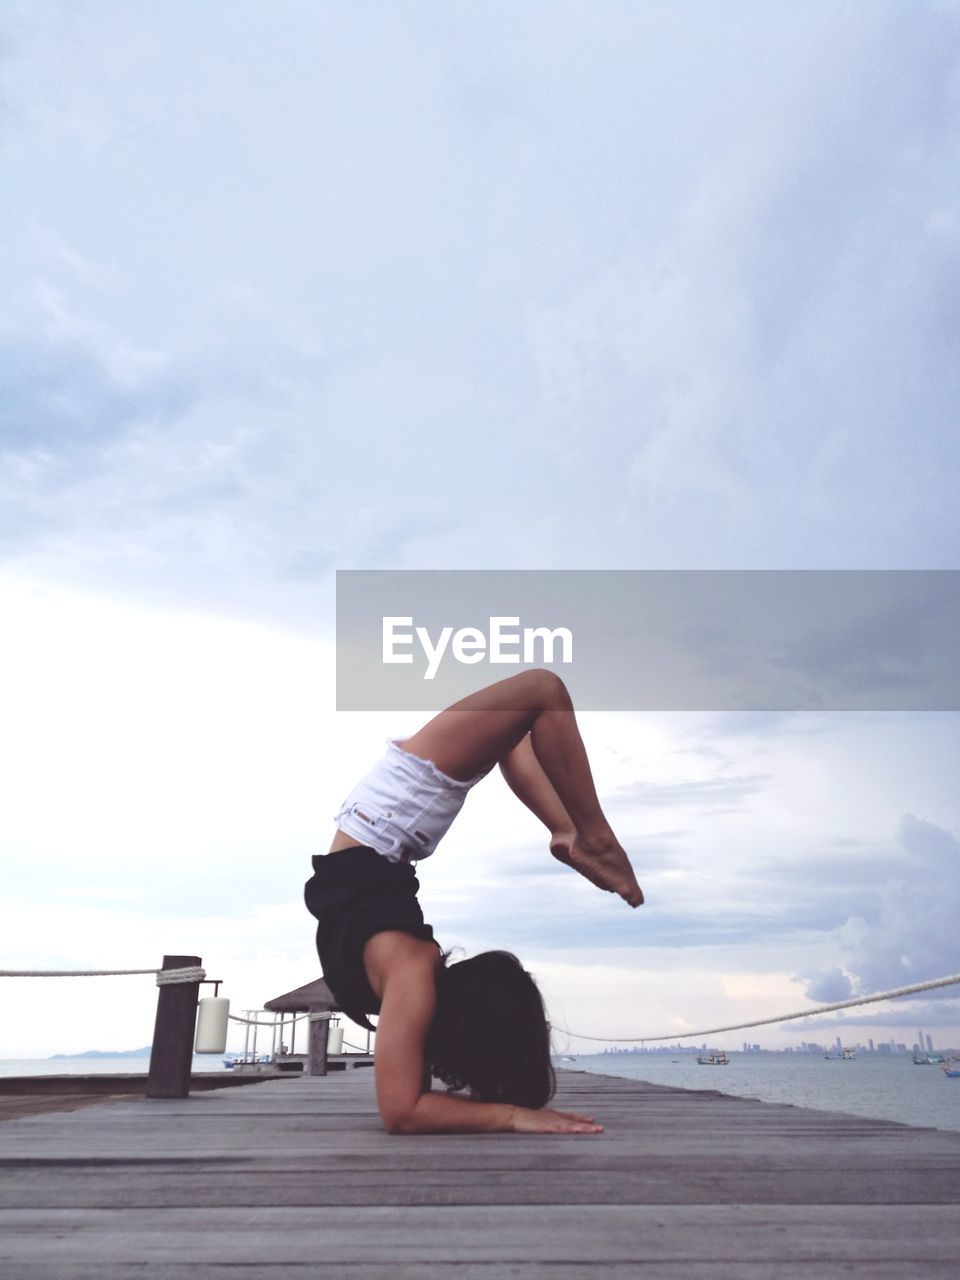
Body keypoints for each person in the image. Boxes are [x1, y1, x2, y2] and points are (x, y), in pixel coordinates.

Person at [304, 668, 643, 1135]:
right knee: (516, 727)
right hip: (387, 833)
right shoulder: (411, 983)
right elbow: (409, 1103)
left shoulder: (413, 977)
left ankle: (590, 835)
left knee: (543, 691)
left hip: (387, 823)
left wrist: (510, 1115)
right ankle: (573, 832)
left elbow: (402, 1112)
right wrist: (509, 1111)